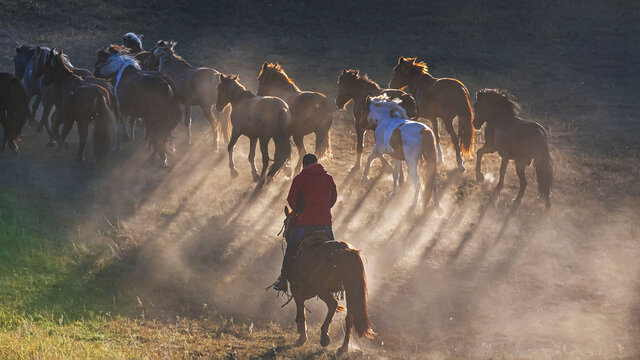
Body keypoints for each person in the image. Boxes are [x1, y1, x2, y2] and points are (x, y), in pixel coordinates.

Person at [273, 153, 337, 292]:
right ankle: (337, 281)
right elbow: (333, 199)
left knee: (291, 249)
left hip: (305, 225)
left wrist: (299, 213)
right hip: (326, 225)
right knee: (335, 253)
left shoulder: (300, 179)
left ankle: (283, 280)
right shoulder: (329, 178)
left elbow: (292, 201)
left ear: (304, 165)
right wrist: (324, 209)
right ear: (316, 163)